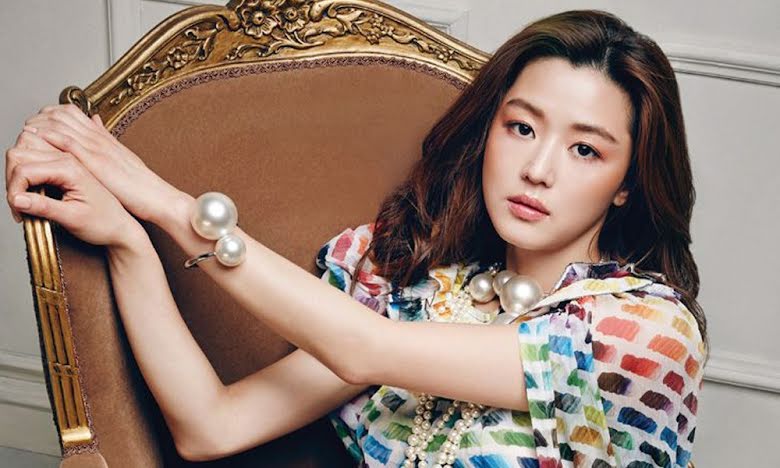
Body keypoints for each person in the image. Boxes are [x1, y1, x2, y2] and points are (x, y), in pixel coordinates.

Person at [4, 8, 706, 468]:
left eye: (586, 150)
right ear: (489, 131)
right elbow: (210, 426)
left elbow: (363, 347)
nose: (539, 169)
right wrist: (128, 242)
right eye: (521, 127)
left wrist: (159, 200)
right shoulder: (418, 294)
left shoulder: (647, 334)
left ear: (627, 182)